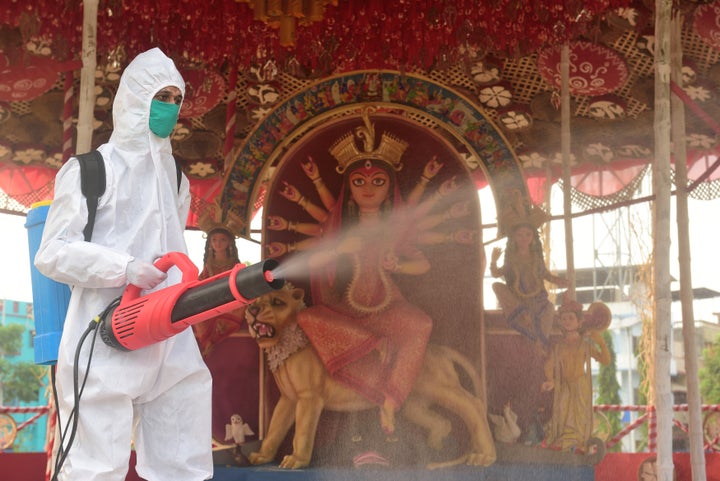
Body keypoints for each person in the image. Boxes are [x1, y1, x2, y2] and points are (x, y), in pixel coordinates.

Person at [34, 48, 212, 481]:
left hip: (169, 335)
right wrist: (125, 268)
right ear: (134, 98)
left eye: (175, 98)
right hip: (103, 337)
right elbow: (52, 252)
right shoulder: (90, 171)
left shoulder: (176, 178)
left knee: (183, 463)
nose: (169, 107)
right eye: (159, 96)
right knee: (93, 469)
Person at [265, 110, 469, 434]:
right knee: (307, 317)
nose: (368, 188)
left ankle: (391, 400)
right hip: (347, 312)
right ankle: (374, 347)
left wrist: (398, 264)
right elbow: (314, 263)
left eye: (378, 181)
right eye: (359, 182)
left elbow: (424, 265)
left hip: (388, 307)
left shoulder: (396, 228)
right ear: (350, 187)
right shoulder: (340, 228)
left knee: (422, 324)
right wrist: (337, 250)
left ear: (390, 187)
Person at [489, 191, 568, 348]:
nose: (524, 238)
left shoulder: (536, 259)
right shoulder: (511, 260)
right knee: (496, 286)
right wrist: (493, 261)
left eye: (527, 235)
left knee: (550, 308)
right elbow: (496, 275)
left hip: (537, 299)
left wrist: (559, 280)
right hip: (518, 300)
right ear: (514, 238)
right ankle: (522, 314)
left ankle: (541, 342)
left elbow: (545, 275)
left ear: (533, 238)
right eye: (519, 235)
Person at [540, 299, 610, 452]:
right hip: (564, 385)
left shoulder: (585, 345)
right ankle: (565, 443)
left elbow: (605, 360)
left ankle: (579, 444)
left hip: (581, 385)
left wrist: (601, 343)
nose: (567, 322)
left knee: (580, 417)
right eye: (564, 318)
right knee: (563, 412)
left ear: (580, 321)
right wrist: (550, 380)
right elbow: (549, 364)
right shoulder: (559, 346)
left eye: (571, 318)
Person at [192, 222, 244, 355]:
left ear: (229, 243)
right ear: (209, 243)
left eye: (222, 240)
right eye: (214, 240)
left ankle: (214, 338)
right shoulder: (208, 265)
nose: (218, 244)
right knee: (196, 312)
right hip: (210, 300)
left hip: (230, 301)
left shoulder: (235, 265)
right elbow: (200, 283)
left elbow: (240, 284)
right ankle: (206, 342)